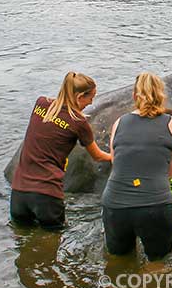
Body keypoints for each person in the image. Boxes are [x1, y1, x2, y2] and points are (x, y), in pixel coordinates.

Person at [10, 72, 112, 229]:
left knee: (23, 242)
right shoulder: (79, 123)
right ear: (79, 97)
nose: (91, 103)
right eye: (90, 98)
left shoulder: (41, 103)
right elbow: (98, 156)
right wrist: (115, 156)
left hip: (18, 192)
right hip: (46, 194)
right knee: (52, 244)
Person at [101, 72, 172, 261]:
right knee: (158, 265)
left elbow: (115, 161)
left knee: (119, 262)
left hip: (115, 204)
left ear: (134, 96)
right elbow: (171, 169)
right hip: (156, 204)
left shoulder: (119, 122)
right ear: (162, 94)